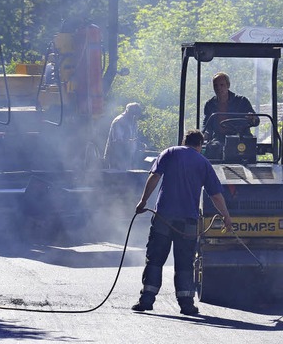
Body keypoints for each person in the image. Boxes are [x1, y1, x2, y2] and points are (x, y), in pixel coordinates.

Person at [133, 130, 233, 315]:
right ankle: (186, 304)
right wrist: (226, 216)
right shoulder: (203, 162)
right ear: (200, 145)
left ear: (183, 141)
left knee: (155, 259)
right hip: (188, 222)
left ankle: (146, 300)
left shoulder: (169, 152)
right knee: (185, 262)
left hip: (164, 217)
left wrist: (143, 201)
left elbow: (154, 177)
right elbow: (216, 195)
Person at [203, 72, 259, 142]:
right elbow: (207, 125)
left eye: (222, 85)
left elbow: (256, 121)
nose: (218, 88)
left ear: (228, 85)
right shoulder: (210, 104)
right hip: (219, 140)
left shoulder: (242, 101)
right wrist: (205, 134)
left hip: (241, 138)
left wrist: (253, 118)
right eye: (215, 85)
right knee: (212, 148)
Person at [104, 102, 143, 170]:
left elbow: (133, 137)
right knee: (117, 177)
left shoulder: (133, 122)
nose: (135, 117)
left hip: (127, 157)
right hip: (116, 157)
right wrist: (131, 142)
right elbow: (118, 140)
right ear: (128, 111)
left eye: (136, 115)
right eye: (133, 114)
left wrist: (139, 144)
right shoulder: (119, 121)